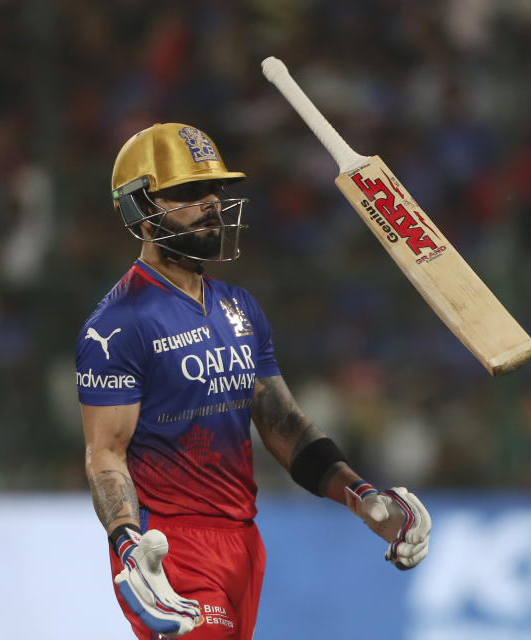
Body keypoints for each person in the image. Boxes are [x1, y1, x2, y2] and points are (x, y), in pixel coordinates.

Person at [76, 123, 431, 639]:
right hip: (171, 549)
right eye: (189, 193)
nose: (212, 202)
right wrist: (130, 548)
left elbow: (284, 425)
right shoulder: (117, 324)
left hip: (244, 543)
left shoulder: (240, 308)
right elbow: (105, 453)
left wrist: (360, 496)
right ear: (140, 210)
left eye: (214, 189)